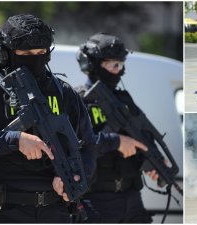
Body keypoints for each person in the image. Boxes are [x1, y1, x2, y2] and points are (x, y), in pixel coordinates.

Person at [0, 14, 145, 223]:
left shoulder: (64, 93)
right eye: (26, 53)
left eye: (41, 52)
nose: (35, 58)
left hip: (55, 211)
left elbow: (88, 146)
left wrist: (74, 177)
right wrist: (15, 140)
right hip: (3, 212)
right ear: (5, 53)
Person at [75, 33, 161, 223]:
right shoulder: (78, 101)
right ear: (93, 64)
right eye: (113, 65)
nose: (119, 71)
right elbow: (76, 146)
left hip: (131, 197)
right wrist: (117, 142)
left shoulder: (124, 100)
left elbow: (143, 135)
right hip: (96, 201)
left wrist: (151, 162)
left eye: (121, 64)